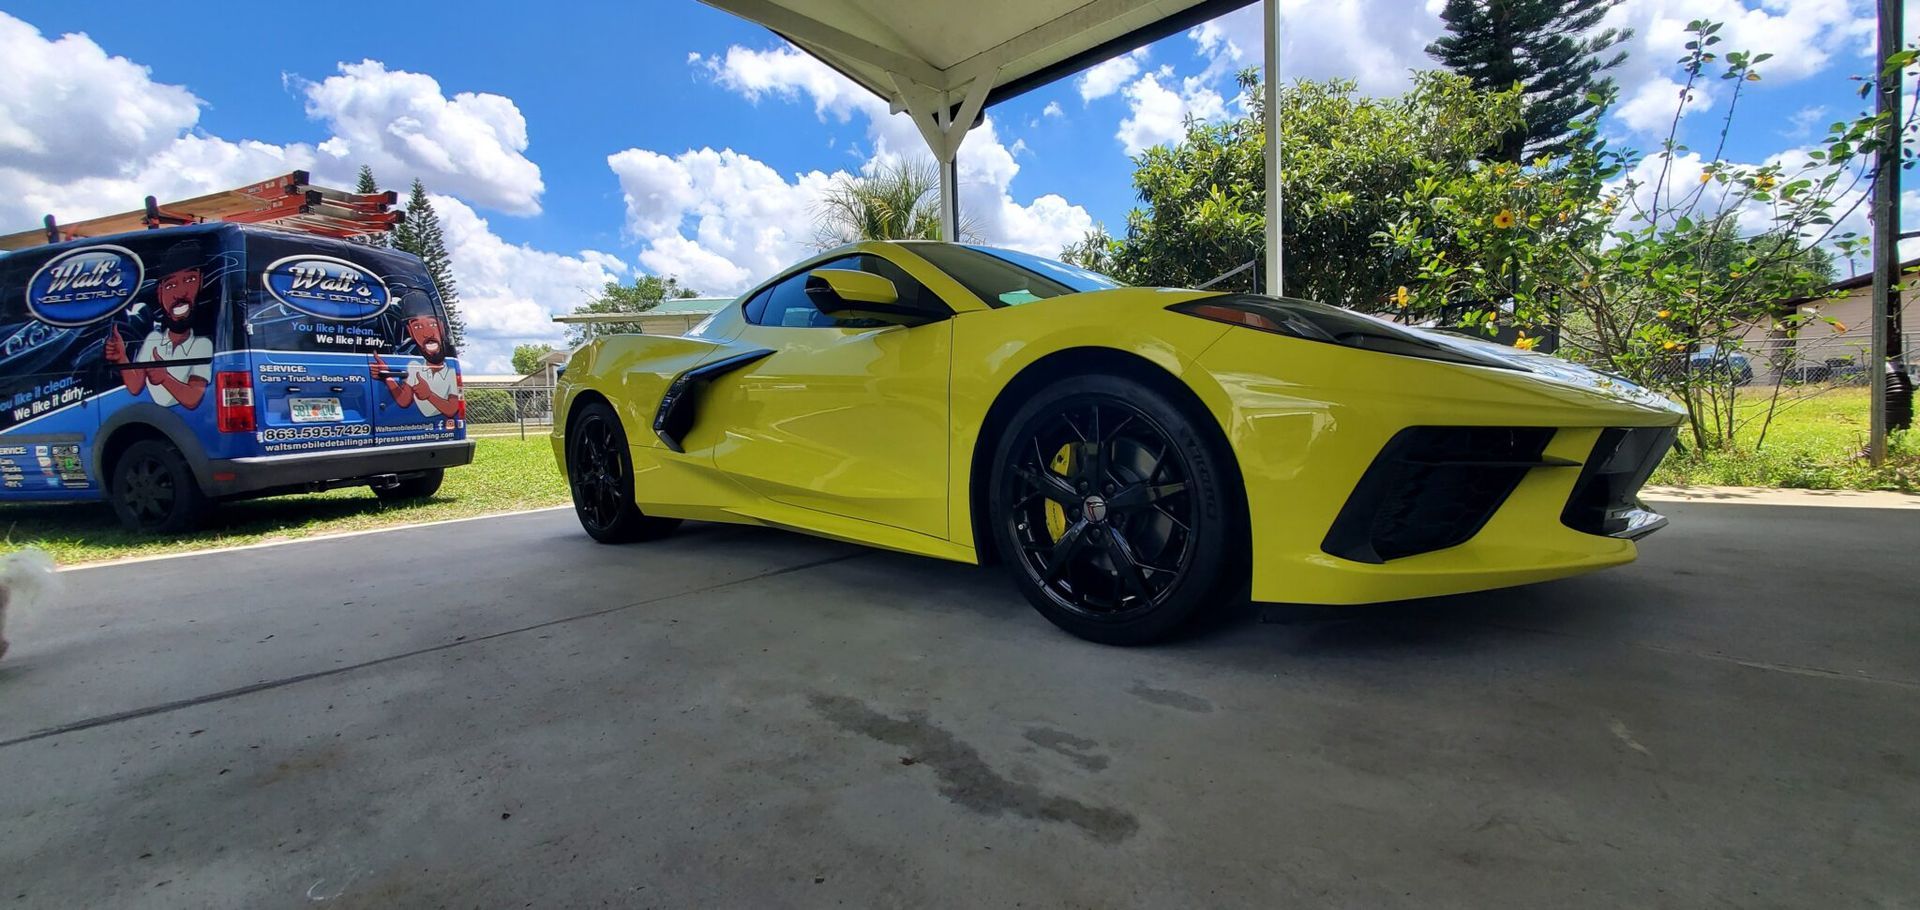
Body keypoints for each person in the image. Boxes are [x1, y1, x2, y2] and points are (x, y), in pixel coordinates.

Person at [103, 243, 212, 409]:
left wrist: (165, 378)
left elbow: (192, 399)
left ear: (201, 283)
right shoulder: (153, 339)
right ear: (160, 294)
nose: (180, 292)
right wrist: (122, 358)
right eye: (170, 285)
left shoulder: (202, 345)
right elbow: (135, 386)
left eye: (190, 280)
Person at [370, 310, 460, 418]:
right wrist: (387, 376)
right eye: (417, 327)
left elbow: (452, 410)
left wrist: (429, 395)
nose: (427, 333)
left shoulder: (451, 372)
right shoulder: (413, 366)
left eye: (432, 324)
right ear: (410, 331)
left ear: (441, 327)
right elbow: (404, 401)